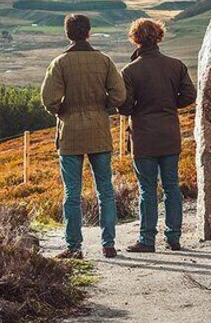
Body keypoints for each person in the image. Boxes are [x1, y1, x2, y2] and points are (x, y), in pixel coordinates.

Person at [41, 14, 126, 259]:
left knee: (72, 194)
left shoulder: (59, 63)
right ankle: (108, 244)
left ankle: (74, 247)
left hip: (70, 135)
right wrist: (104, 106)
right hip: (99, 130)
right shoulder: (104, 61)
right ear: (89, 32)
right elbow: (119, 95)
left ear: (68, 34)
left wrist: (64, 110)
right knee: (105, 191)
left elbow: (49, 100)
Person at [119, 18, 196, 252]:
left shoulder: (130, 71)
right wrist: (170, 103)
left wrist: (137, 108)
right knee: (172, 187)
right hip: (170, 134)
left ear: (135, 38)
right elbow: (189, 96)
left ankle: (146, 239)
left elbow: (124, 107)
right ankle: (174, 238)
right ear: (159, 36)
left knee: (147, 190)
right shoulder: (176, 65)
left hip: (144, 137)